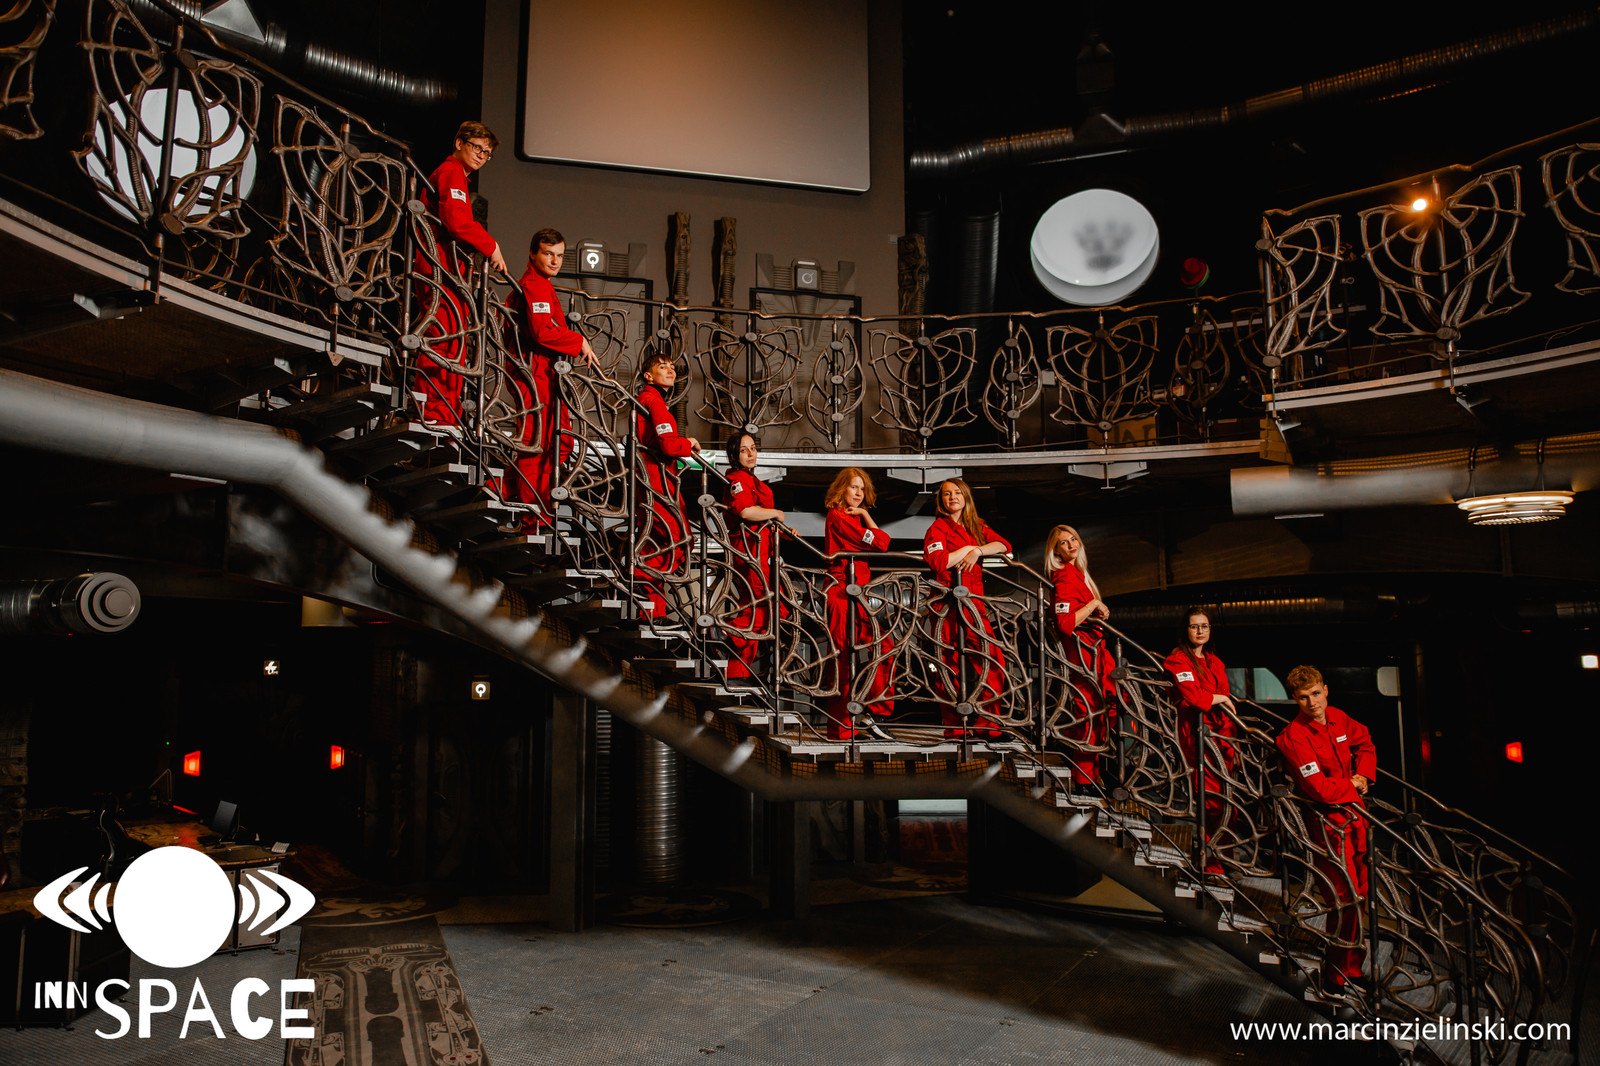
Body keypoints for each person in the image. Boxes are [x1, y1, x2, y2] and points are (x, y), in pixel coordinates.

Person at [1274, 665, 1377, 991]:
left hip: (1357, 819)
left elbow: (1366, 743)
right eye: (1303, 697)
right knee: (1343, 900)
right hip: (1327, 826)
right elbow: (1319, 789)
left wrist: (1364, 775)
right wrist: (1352, 784)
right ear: (1295, 699)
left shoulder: (1338, 718)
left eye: (1316, 694)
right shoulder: (1293, 737)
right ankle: (1335, 975)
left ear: (1326, 690)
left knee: (1361, 896)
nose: (1312, 702)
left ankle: (1353, 968)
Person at [415, 121, 509, 424]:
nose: (482, 155)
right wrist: (491, 245)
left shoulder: (458, 176)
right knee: (441, 336)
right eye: (477, 147)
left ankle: (443, 412)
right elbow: (457, 222)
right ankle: (432, 411)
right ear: (459, 143)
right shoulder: (452, 171)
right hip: (439, 265)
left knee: (451, 338)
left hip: (447, 267)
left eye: (487, 153)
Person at [509, 228, 596, 528]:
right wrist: (577, 340)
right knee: (537, 446)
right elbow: (542, 331)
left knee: (558, 443)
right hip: (534, 373)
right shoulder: (534, 284)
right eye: (548, 254)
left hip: (544, 373)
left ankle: (521, 502)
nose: (555, 261)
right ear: (533, 254)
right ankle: (530, 517)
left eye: (559, 255)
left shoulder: (543, 284)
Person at [923, 479, 1011, 738]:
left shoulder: (976, 526)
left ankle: (988, 723)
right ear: (941, 500)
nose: (953, 497)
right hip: (946, 606)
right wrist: (968, 549)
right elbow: (939, 562)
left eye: (957, 492)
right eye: (947, 494)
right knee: (948, 666)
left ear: (966, 497)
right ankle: (953, 726)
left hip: (973, 604)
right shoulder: (937, 528)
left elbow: (1004, 545)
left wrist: (978, 551)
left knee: (993, 660)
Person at [1164, 609, 1238, 876]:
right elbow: (1195, 698)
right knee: (1209, 800)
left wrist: (1219, 700)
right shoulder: (1177, 660)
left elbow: (1219, 693)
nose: (1200, 631)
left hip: (1223, 735)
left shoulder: (1215, 661)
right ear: (1185, 630)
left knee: (1228, 803)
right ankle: (1211, 866)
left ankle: (1226, 858)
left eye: (1204, 626)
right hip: (1197, 733)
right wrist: (1221, 699)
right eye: (1194, 626)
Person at [823, 468, 895, 739]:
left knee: (883, 647)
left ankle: (875, 714)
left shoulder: (856, 518)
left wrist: (865, 514)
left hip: (858, 592)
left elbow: (881, 542)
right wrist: (864, 518)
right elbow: (882, 543)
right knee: (843, 657)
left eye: (862, 489)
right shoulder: (838, 516)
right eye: (854, 487)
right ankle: (841, 728)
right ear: (842, 488)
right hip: (841, 590)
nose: (858, 493)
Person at [1044, 524, 1118, 788]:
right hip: (1082, 657)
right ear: (1056, 551)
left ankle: (1090, 776)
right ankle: (1084, 779)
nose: (1071, 544)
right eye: (1064, 542)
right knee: (1089, 715)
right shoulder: (1064, 577)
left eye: (1074, 539)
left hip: (1093, 655)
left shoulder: (1078, 574)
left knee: (1098, 714)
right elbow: (1065, 624)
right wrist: (1094, 604)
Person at [634, 351, 698, 620]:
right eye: (663, 367)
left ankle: (652, 608)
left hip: (654, 477)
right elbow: (669, 445)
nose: (670, 370)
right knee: (675, 537)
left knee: (659, 540)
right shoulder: (654, 401)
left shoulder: (650, 400)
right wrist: (688, 443)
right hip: (656, 478)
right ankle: (641, 586)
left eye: (672, 367)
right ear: (648, 376)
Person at [721, 434, 786, 683]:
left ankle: (736, 670)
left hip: (761, 549)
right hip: (750, 550)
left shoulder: (750, 479)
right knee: (769, 607)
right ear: (734, 455)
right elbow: (745, 511)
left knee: (758, 608)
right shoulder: (737, 479)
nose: (751, 454)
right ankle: (727, 633)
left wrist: (782, 529)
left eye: (753, 448)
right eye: (743, 450)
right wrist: (776, 513)